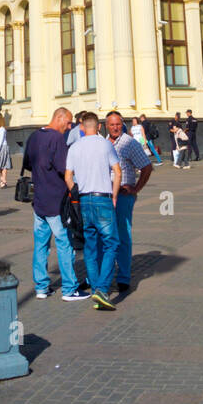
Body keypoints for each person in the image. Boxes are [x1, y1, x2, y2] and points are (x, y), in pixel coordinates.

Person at [24, 108, 89, 302]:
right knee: (64, 243)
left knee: (41, 245)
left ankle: (42, 287)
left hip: (39, 201)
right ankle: (69, 288)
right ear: (59, 118)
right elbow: (65, 169)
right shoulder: (57, 139)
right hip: (56, 201)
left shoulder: (34, 136)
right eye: (68, 122)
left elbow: (28, 163)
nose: (69, 127)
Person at [65, 112, 121, 310]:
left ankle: (97, 287)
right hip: (102, 198)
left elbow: (68, 175)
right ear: (98, 127)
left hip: (84, 199)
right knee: (111, 243)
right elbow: (118, 171)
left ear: (82, 127)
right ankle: (102, 289)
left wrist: (76, 194)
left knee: (90, 245)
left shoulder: (74, 147)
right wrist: (114, 196)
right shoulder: (105, 144)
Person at [105, 112, 152, 295]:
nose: (115, 127)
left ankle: (123, 277)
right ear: (106, 126)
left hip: (124, 195)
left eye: (118, 124)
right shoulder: (103, 143)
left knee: (123, 235)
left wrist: (136, 188)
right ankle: (105, 276)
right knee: (106, 236)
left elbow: (147, 167)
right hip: (105, 196)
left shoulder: (129, 143)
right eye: (112, 125)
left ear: (122, 125)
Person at [0, 122, 12, 188]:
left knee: (2, 165)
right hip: (2, 147)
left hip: (2, 148)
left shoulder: (2, 130)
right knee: (0, 165)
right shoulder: (0, 129)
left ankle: (3, 181)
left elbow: (1, 140)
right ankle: (2, 181)